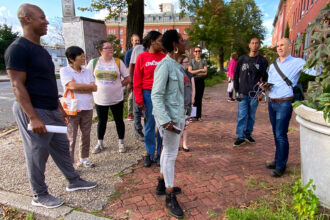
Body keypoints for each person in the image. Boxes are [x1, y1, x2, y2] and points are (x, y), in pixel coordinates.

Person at [4, 4, 96, 209]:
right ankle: (39, 195)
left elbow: (46, 82)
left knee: (62, 147)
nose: (46, 21)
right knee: (37, 153)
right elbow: (17, 85)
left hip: (52, 108)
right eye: (42, 17)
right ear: (27, 19)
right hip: (34, 110)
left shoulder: (42, 51)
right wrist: (32, 117)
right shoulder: (18, 49)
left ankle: (74, 180)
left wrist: (59, 107)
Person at [264, 38, 317, 177]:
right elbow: (270, 81)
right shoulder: (273, 65)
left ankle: (281, 166)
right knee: (276, 133)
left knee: (281, 134)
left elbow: (316, 72)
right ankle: (277, 160)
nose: (279, 48)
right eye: (278, 46)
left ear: (289, 46)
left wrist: (318, 56)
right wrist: (264, 87)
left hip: (284, 103)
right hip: (272, 101)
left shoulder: (298, 62)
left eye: (282, 45)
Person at [151, 29, 186, 219]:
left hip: (176, 116)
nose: (184, 43)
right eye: (181, 40)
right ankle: (170, 195)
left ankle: (161, 183)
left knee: (166, 151)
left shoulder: (176, 65)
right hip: (169, 119)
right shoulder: (164, 65)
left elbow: (178, 94)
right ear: (174, 44)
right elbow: (156, 95)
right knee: (171, 154)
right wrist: (165, 121)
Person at [87, 40, 130, 154]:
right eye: (107, 48)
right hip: (100, 99)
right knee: (102, 121)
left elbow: (127, 78)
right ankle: (100, 143)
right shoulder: (94, 62)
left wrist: (118, 86)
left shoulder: (117, 62)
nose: (111, 49)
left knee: (119, 120)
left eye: (111, 47)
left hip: (116, 98)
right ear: (100, 50)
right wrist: (93, 86)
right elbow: (87, 77)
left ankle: (121, 142)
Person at [60, 46, 97, 168]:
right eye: (80, 56)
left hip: (87, 107)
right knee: (71, 137)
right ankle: (69, 164)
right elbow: (72, 86)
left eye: (84, 56)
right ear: (71, 58)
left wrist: (79, 86)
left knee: (86, 134)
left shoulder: (87, 71)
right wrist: (86, 87)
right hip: (72, 109)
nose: (83, 58)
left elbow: (94, 87)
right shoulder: (65, 71)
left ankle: (83, 158)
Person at [133, 31, 165, 167]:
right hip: (147, 94)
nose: (162, 43)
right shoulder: (142, 57)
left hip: (162, 94)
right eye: (160, 40)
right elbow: (137, 80)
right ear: (152, 41)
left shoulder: (164, 57)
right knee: (149, 125)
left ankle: (160, 154)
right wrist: (139, 100)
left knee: (162, 125)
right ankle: (150, 153)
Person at [233, 37, 268, 146]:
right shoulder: (242, 59)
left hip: (255, 93)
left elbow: (266, 78)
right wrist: (237, 91)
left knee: (251, 116)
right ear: (249, 45)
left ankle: (248, 134)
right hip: (243, 92)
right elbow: (236, 76)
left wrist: (262, 93)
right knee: (242, 115)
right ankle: (240, 136)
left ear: (259, 45)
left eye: (256, 43)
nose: (254, 45)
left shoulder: (263, 61)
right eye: (252, 43)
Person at [129, 42, 145, 142]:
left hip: (149, 84)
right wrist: (131, 82)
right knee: (137, 108)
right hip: (138, 83)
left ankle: (149, 130)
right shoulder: (139, 48)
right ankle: (138, 130)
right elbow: (132, 65)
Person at [180, 55, 195, 152]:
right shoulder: (178, 73)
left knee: (186, 124)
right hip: (179, 104)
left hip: (188, 103)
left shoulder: (190, 75)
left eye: (187, 62)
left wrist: (193, 99)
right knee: (178, 125)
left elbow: (193, 89)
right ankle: (176, 144)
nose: (187, 64)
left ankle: (184, 144)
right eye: (185, 62)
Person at [188, 46, 207, 121]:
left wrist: (195, 72)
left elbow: (205, 72)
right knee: (192, 99)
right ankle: (192, 116)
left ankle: (198, 116)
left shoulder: (203, 61)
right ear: (194, 53)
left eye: (199, 51)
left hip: (201, 82)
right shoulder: (191, 61)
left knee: (199, 99)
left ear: (201, 52)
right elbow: (190, 72)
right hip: (193, 82)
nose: (197, 52)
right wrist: (200, 70)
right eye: (196, 51)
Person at [124, 34, 140, 121]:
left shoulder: (142, 51)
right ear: (132, 42)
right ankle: (130, 113)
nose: (137, 42)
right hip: (132, 77)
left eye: (138, 40)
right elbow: (127, 67)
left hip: (141, 77)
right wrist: (129, 80)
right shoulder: (129, 53)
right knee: (131, 96)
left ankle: (139, 112)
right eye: (135, 40)